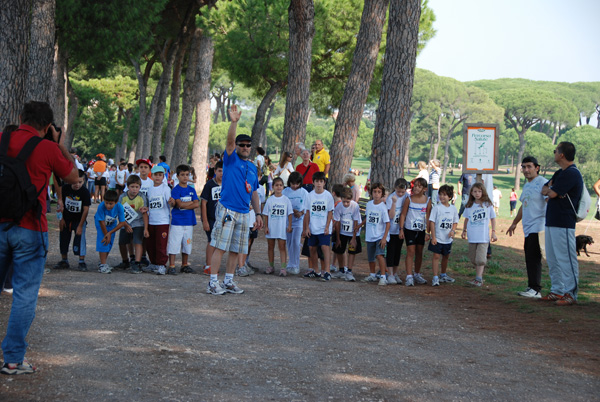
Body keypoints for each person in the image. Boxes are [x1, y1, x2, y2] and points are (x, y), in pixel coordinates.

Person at [0, 101, 78, 375]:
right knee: (24, 295)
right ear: (47, 127)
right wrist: (59, 144)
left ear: (20, 117)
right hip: (31, 229)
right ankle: (12, 360)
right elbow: (74, 177)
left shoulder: (2, 139)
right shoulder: (47, 148)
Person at [206, 105, 263, 295]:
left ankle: (229, 281)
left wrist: (258, 213)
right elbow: (230, 142)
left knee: (236, 249)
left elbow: (253, 192)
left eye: (248, 145)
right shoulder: (231, 159)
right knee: (220, 247)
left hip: (244, 212)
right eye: (242, 145)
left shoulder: (253, 167)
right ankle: (213, 282)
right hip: (227, 209)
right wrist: (234, 122)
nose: (245, 148)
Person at [540, 142, 584, 306]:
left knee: (566, 258)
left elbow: (551, 193)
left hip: (564, 222)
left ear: (562, 155)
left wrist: (552, 191)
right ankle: (557, 290)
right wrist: (551, 190)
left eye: (555, 151)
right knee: (552, 257)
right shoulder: (560, 172)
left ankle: (570, 293)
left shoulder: (571, 173)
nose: (554, 153)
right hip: (552, 219)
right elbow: (545, 189)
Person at [506, 156, 547, 298]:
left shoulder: (542, 183)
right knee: (529, 257)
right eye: (524, 167)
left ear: (537, 168)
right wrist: (514, 223)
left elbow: (549, 202)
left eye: (529, 166)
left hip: (539, 226)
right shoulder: (528, 185)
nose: (526, 170)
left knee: (534, 258)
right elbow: (523, 206)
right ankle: (532, 287)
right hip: (528, 228)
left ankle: (535, 289)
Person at [53, 169, 91, 272]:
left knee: (80, 239)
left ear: (83, 181)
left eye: (80, 182)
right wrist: (60, 219)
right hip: (66, 219)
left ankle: (81, 261)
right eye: (74, 182)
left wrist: (80, 225)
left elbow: (86, 209)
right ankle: (64, 260)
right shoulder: (64, 189)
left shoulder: (85, 192)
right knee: (63, 239)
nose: (77, 185)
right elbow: (59, 205)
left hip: (79, 220)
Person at [460, 183, 497, 286]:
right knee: (473, 258)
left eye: (479, 191)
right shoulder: (469, 206)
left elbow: (493, 218)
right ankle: (477, 277)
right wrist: (464, 231)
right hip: (472, 236)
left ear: (483, 192)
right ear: (471, 192)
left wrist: (493, 232)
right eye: (475, 191)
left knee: (480, 259)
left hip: (483, 237)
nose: (477, 193)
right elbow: (466, 219)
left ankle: (479, 278)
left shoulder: (487, 204)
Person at [399, 177, 432, 286]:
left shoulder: (427, 200)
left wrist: (428, 231)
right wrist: (401, 229)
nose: (416, 188)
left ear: (424, 189)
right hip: (409, 229)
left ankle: (417, 274)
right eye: (415, 185)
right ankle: (409, 276)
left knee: (419, 252)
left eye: (419, 186)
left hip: (421, 230)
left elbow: (428, 216)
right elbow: (403, 214)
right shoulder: (409, 199)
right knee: (410, 251)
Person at [168, 165, 200, 275]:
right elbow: (179, 204)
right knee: (174, 243)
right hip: (178, 221)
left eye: (187, 175)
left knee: (187, 243)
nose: (185, 177)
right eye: (182, 175)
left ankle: (184, 264)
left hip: (189, 221)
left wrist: (184, 205)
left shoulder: (191, 189)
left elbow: (197, 204)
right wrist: (189, 203)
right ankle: (172, 265)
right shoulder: (176, 190)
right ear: (177, 176)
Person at [303, 171, 335, 281]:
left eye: (321, 181)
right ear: (313, 182)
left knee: (325, 247)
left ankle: (327, 271)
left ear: (324, 183)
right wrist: (307, 227)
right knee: (312, 248)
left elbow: (330, 212)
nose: (319, 184)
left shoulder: (328, 196)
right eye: (317, 181)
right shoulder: (310, 196)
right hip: (313, 227)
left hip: (324, 227)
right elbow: (307, 212)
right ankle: (316, 270)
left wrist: (327, 226)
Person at [115, 175, 149, 274]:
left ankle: (137, 263)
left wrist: (146, 229)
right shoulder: (123, 197)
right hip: (125, 223)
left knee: (137, 242)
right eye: (132, 187)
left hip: (138, 223)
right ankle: (125, 261)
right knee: (122, 242)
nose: (134, 189)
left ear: (140, 187)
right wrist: (125, 225)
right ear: (128, 186)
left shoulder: (142, 197)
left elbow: (144, 214)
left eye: (137, 187)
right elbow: (119, 213)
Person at [427, 184, 459, 286]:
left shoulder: (453, 209)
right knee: (436, 256)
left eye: (444, 195)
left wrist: (453, 231)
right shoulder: (437, 208)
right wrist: (433, 236)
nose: (442, 197)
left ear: (450, 197)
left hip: (448, 239)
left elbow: (455, 221)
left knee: (446, 256)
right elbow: (432, 222)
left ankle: (443, 274)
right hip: (438, 237)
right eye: (440, 194)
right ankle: (435, 277)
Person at [145, 165, 174, 275]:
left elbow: (170, 202)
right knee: (150, 244)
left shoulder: (166, 188)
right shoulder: (150, 190)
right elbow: (150, 205)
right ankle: (153, 263)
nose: (157, 177)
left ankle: (161, 264)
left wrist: (172, 202)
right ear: (152, 176)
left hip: (162, 222)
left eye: (160, 175)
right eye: (155, 175)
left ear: (163, 177)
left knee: (161, 244)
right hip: (152, 220)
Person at [361, 183, 391, 286]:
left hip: (380, 235)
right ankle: (372, 275)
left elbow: (387, 223)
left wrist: (384, 238)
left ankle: (383, 276)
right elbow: (367, 217)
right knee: (371, 257)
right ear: (371, 193)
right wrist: (360, 225)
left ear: (382, 194)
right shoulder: (369, 204)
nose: (377, 194)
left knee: (379, 255)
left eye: (379, 192)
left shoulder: (383, 207)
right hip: (370, 235)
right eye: (374, 192)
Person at [262, 177, 293, 276]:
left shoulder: (286, 199)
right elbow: (266, 214)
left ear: (283, 187)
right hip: (272, 227)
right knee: (270, 246)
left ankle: (283, 267)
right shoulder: (270, 200)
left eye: (280, 185)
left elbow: (290, 213)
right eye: (276, 185)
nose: (279, 187)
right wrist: (266, 226)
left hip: (281, 227)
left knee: (282, 247)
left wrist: (289, 225)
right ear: (273, 186)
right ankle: (271, 266)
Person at [332, 187, 362, 282]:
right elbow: (337, 222)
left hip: (353, 231)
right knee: (339, 250)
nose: (345, 204)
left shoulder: (355, 206)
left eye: (348, 202)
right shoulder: (338, 206)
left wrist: (354, 238)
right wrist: (338, 238)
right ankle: (341, 269)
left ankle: (349, 271)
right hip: (342, 231)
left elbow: (356, 221)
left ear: (351, 200)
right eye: (344, 201)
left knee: (351, 251)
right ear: (341, 199)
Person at [282, 172, 309, 275]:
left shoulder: (304, 193)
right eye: (292, 184)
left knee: (296, 242)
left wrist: (301, 212)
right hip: (288, 221)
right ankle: (290, 263)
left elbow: (307, 207)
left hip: (299, 221)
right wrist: (292, 211)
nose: (294, 186)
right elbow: (283, 204)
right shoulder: (285, 192)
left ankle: (296, 265)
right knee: (289, 242)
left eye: (297, 184)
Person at [94, 190, 127, 274]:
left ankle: (102, 261)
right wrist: (106, 234)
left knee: (109, 242)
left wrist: (110, 233)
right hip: (101, 225)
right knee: (104, 241)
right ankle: (103, 264)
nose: (108, 205)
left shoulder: (119, 207)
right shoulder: (101, 206)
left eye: (111, 203)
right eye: (106, 203)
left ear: (116, 202)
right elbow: (101, 221)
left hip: (112, 225)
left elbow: (122, 222)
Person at [200, 160, 222, 276]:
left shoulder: (228, 184)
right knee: (211, 241)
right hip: (211, 218)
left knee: (219, 242)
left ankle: (215, 263)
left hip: (223, 218)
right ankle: (208, 265)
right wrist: (205, 220)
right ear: (215, 171)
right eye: (219, 171)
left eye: (224, 171)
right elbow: (203, 203)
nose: (222, 174)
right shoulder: (209, 184)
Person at [385, 178, 409, 285]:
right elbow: (390, 215)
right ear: (395, 188)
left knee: (398, 252)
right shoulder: (391, 198)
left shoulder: (407, 197)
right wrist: (394, 203)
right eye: (398, 191)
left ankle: (395, 273)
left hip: (401, 229)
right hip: (392, 230)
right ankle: (389, 274)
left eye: (402, 192)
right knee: (391, 251)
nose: (400, 194)